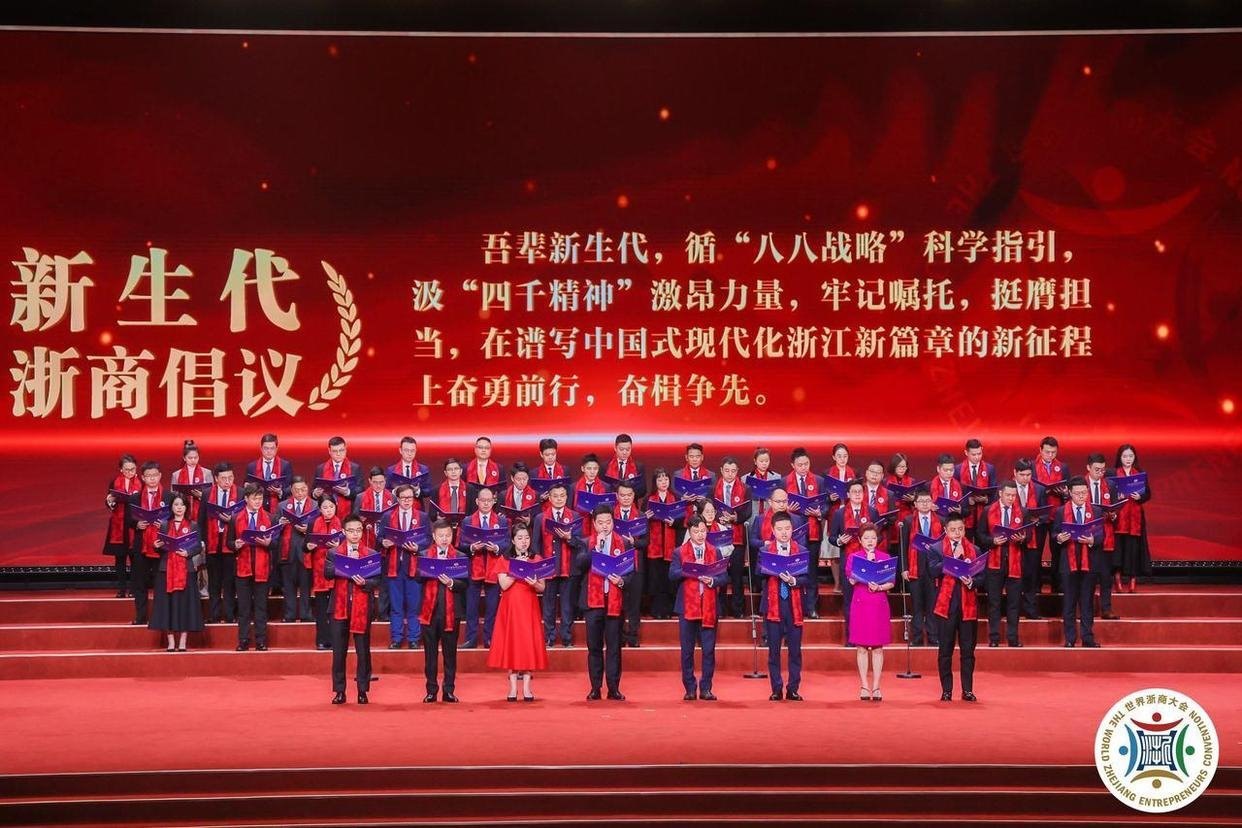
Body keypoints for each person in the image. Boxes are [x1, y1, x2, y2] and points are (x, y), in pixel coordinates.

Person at [571, 505, 633, 701]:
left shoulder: (623, 542)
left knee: (614, 647)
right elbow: (579, 565)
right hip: (593, 603)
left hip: (615, 602)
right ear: (594, 524)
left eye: (608, 522)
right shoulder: (586, 542)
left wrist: (622, 581)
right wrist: (596, 549)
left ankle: (613, 688)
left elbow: (631, 573)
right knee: (594, 647)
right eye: (601, 523)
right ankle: (595, 688)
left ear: (613, 522)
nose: (605, 526)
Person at [487, 525, 548, 701]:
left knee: (528, 643)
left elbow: (542, 587)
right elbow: (504, 585)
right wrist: (517, 570)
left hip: (529, 605)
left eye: (526, 538)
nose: (524, 542)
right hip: (511, 606)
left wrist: (535, 583)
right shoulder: (504, 559)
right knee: (512, 643)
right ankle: (513, 688)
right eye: (520, 538)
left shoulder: (536, 558)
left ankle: (527, 688)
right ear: (513, 540)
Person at [670, 515, 727, 701]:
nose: (700, 535)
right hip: (687, 606)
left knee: (708, 650)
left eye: (703, 531)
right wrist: (690, 570)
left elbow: (724, 577)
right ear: (689, 532)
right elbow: (672, 574)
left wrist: (713, 580)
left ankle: (706, 688)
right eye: (696, 532)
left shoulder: (715, 551)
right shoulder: (679, 552)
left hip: (709, 606)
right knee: (687, 651)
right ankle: (689, 688)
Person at [325, 514, 379, 704]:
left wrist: (365, 582)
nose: (355, 534)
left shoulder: (370, 553)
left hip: (362, 607)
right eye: (351, 531)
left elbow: (377, 580)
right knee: (339, 652)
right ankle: (339, 691)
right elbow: (327, 572)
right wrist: (347, 566)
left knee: (363, 651)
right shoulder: (334, 552)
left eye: (358, 530)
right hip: (339, 607)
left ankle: (362, 690)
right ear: (343, 532)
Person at [927, 514, 980, 702]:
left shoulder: (974, 549)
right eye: (953, 530)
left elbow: (982, 577)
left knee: (968, 651)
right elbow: (932, 571)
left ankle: (967, 690)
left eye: (960, 529)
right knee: (945, 651)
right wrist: (952, 560)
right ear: (946, 531)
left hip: (968, 607)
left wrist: (972, 582)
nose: (957, 533)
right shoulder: (936, 549)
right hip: (945, 607)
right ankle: (947, 690)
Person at [418, 520, 468, 703]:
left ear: (452, 536)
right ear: (434, 536)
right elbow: (417, 577)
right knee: (430, 655)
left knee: (450, 654)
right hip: (429, 612)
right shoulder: (424, 555)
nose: (445, 539)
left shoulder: (460, 557)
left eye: (448, 535)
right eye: (441, 536)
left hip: (451, 613)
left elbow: (465, 584)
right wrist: (426, 570)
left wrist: (451, 583)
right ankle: (431, 690)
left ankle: (449, 690)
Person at [759, 512, 807, 701]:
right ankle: (776, 688)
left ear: (792, 529)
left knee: (795, 651)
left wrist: (794, 580)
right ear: (773, 530)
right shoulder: (766, 550)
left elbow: (807, 578)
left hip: (794, 606)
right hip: (773, 605)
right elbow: (758, 572)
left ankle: (793, 688)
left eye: (787, 528)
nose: (784, 532)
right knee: (774, 651)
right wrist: (772, 568)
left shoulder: (800, 550)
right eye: (780, 529)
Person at [149, 492, 204, 651]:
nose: (179, 508)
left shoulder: (193, 525)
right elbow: (160, 546)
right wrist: (156, 546)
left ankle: (183, 641)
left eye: (182, 505)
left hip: (186, 570)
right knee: (168, 606)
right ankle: (171, 641)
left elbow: (198, 547)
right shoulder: (165, 525)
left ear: (186, 507)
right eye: (176, 505)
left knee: (185, 605)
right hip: (166, 570)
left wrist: (188, 553)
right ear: (171, 507)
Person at [1055, 476, 1104, 648]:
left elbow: (1101, 535)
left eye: (1084, 492)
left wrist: (1092, 540)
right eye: (1078, 493)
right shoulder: (1061, 511)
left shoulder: (1096, 511)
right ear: (1070, 493)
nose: (1082, 496)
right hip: (1068, 564)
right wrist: (1059, 538)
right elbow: (1054, 534)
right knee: (1069, 602)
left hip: (1089, 562)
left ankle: (1087, 637)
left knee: (1087, 602)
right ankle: (1070, 638)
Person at [845, 524, 894, 701]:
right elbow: (851, 580)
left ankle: (877, 686)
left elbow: (891, 582)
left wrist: (880, 586)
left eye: (873, 538)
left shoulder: (885, 557)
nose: (870, 541)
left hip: (879, 603)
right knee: (862, 647)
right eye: (866, 538)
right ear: (860, 540)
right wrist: (863, 571)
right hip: (861, 603)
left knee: (878, 648)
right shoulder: (853, 557)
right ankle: (865, 685)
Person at [828, 480, 879, 645]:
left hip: (870, 561)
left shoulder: (872, 511)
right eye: (854, 492)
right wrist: (840, 541)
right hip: (849, 561)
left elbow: (879, 535)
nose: (857, 494)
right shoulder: (839, 513)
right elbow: (831, 537)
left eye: (860, 491)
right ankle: (852, 637)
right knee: (850, 601)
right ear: (848, 494)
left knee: (869, 600)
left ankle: (869, 635)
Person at [459, 487, 510, 648]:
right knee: (472, 607)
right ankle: (471, 639)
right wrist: (472, 547)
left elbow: (507, 543)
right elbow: (461, 544)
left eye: (489, 500)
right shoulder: (468, 521)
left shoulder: (501, 521)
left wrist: (496, 548)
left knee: (492, 607)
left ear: (494, 501)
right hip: (474, 568)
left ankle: (490, 638)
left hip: (494, 569)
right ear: (477, 501)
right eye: (483, 500)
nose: (486, 503)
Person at [230, 483, 277, 652]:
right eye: (254, 498)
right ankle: (243, 640)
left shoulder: (270, 518)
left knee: (261, 607)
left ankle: (261, 640)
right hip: (242, 569)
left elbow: (276, 544)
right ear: (246, 499)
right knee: (243, 608)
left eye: (260, 498)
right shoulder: (236, 518)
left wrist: (269, 543)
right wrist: (235, 544)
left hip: (262, 569)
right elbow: (229, 542)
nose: (258, 501)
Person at [980, 481, 1026, 647]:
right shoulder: (988, 511)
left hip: (1015, 563)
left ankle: (1013, 638)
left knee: (1014, 603)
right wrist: (992, 541)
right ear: (1000, 494)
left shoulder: (1022, 511)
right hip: (995, 562)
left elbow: (1028, 535)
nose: (1011, 498)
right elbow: (980, 535)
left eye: (1014, 495)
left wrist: (1022, 538)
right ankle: (994, 638)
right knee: (994, 602)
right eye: (1008, 495)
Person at [378, 484, 425, 648]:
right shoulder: (387, 516)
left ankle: (413, 639)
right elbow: (380, 538)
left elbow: (428, 540)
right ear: (397, 499)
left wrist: (418, 547)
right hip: (394, 567)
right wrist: (384, 542)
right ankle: (396, 639)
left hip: (414, 567)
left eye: (410, 497)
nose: (407, 501)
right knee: (396, 606)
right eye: (403, 498)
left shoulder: (422, 517)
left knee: (414, 606)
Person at [128, 460, 172, 626]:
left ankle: (160, 617)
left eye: (155, 475)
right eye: (148, 476)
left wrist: (165, 525)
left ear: (160, 476)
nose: (152, 479)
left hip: (162, 546)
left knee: (161, 584)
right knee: (140, 584)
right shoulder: (135, 498)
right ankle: (141, 616)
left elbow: (177, 518)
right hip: (142, 547)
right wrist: (137, 524)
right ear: (143, 478)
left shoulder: (169, 496)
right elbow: (128, 520)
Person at [900, 489, 942, 647]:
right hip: (914, 568)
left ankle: (933, 636)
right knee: (916, 605)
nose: (925, 504)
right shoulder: (908, 521)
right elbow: (903, 545)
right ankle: (917, 637)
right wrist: (904, 568)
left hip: (934, 570)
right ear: (915, 504)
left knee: (932, 605)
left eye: (928, 501)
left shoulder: (941, 520)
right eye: (921, 501)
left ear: (932, 503)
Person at [786, 447, 825, 612]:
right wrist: (787, 508)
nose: (803, 467)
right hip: (791, 533)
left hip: (812, 533)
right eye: (800, 465)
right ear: (793, 465)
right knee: (793, 570)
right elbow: (778, 505)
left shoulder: (819, 481)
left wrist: (819, 512)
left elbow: (825, 505)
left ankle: (811, 607)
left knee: (812, 571)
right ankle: (794, 606)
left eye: (806, 464)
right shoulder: (784, 481)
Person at [539, 482, 578, 647]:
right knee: (548, 606)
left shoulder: (574, 516)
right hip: (548, 569)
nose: (559, 499)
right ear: (549, 498)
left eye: (562, 495)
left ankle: (567, 637)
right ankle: (550, 636)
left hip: (568, 568)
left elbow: (581, 544)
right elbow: (536, 545)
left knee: (567, 605)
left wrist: (570, 538)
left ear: (567, 497)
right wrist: (539, 567)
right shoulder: (540, 518)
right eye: (555, 496)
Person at [713, 456, 751, 618]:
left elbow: (748, 512)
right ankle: (720, 609)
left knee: (737, 575)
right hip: (718, 537)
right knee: (719, 574)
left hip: (737, 537)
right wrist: (717, 518)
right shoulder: (713, 488)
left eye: (733, 471)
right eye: (727, 471)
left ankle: (738, 610)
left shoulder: (745, 488)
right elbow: (707, 509)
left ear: (737, 472)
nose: (730, 474)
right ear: (721, 471)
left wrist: (736, 518)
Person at [1085, 453, 1121, 619]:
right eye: (1097, 469)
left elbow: (1115, 509)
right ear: (1088, 468)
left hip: (1106, 535)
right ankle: (1087, 609)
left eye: (1102, 470)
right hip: (1088, 536)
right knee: (1088, 576)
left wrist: (1113, 515)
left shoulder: (1110, 485)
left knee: (1106, 575)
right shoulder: (1081, 484)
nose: (1100, 473)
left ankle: (1106, 609)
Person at [1113, 444, 1152, 593]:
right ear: (1120, 458)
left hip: (1135, 518)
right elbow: (1108, 494)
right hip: (1119, 517)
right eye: (1125, 456)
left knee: (1133, 550)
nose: (1128, 459)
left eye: (1130, 456)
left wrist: (1140, 497)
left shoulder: (1140, 473)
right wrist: (1117, 496)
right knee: (1118, 550)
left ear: (1134, 457)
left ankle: (1132, 581)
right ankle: (1117, 579)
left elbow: (1148, 494)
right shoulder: (1114, 473)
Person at [305, 495, 343, 650]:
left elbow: (348, 546)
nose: (329, 510)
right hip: (319, 571)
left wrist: (338, 545)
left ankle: (335, 640)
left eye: (331, 507)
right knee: (321, 609)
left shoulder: (341, 523)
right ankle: (321, 640)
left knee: (335, 609)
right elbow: (305, 546)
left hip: (336, 571)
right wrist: (309, 546)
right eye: (325, 507)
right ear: (320, 509)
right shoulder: (313, 522)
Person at [613, 481, 648, 647]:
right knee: (618, 602)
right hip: (616, 565)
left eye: (629, 495)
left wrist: (634, 542)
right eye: (622, 495)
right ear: (617, 496)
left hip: (635, 565)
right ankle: (618, 636)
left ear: (634, 496)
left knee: (634, 603)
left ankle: (633, 636)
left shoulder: (640, 516)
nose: (626, 498)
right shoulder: (611, 515)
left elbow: (646, 542)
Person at [1012, 458, 1047, 620]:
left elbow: (1045, 513)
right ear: (1015, 473)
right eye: (1022, 475)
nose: (1026, 478)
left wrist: (1037, 519)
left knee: (1031, 574)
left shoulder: (1039, 490)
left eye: (1028, 475)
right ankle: (1014, 610)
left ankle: (1031, 610)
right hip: (1012, 539)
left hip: (1032, 538)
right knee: (1013, 576)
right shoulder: (1007, 489)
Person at [1033, 436, 1069, 594]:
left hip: (1057, 515)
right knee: (1036, 552)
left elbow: (1068, 490)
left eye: (1053, 452)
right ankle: (1036, 585)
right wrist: (1042, 491)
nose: (1050, 455)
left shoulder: (1063, 467)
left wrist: (1065, 493)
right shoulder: (1032, 466)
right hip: (1039, 515)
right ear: (1040, 450)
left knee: (1058, 552)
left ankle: (1057, 585)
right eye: (1047, 452)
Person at [276, 476, 313, 623]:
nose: (300, 493)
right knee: (288, 586)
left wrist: (308, 530)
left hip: (306, 551)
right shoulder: (282, 506)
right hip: (288, 551)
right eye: (297, 490)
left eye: (303, 489)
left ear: (307, 489)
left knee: (306, 585)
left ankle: (305, 613)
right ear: (291, 490)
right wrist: (280, 523)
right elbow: (274, 529)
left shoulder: (315, 505)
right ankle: (289, 614)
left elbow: (320, 528)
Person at [643, 468, 680, 619]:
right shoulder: (649, 499)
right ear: (655, 482)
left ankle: (669, 610)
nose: (663, 482)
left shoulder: (675, 497)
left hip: (671, 545)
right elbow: (641, 521)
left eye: (666, 479)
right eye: (660, 480)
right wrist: (645, 517)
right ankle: (656, 610)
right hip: (654, 546)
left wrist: (674, 522)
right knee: (656, 579)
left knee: (669, 578)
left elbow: (682, 519)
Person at [103, 454, 140, 597]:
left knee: (135, 559)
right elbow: (109, 501)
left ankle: (134, 589)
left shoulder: (141, 482)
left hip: (134, 524)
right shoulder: (115, 482)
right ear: (121, 469)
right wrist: (110, 501)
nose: (130, 472)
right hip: (118, 525)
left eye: (132, 469)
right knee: (120, 559)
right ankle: (122, 588)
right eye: (127, 469)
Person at [245, 433, 293, 516]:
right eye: (266, 448)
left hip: (278, 507)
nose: (269, 451)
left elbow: (290, 487)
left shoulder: (285, 465)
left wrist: (280, 492)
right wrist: (247, 486)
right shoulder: (252, 466)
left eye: (272, 448)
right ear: (261, 448)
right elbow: (246, 486)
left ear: (276, 449)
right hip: (257, 506)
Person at [312, 436, 361, 514]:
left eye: (341, 450)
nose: (338, 454)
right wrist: (315, 494)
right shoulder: (321, 468)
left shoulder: (355, 468)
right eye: (335, 451)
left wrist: (347, 492)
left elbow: (360, 490)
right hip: (326, 512)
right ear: (329, 451)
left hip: (348, 513)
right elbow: (313, 491)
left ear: (346, 450)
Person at [169, 439, 211, 522]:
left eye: (196, 457)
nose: (193, 460)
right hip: (182, 511)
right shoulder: (176, 474)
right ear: (184, 458)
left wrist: (202, 496)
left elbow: (212, 495)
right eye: (190, 458)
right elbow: (172, 496)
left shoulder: (207, 473)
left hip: (202, 512)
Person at [385, 435, 430, 509]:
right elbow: (386, 491)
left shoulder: (423, 469)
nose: (409, 453)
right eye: (406, 450)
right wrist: (395, 491)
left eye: (412, 450)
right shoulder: (391, 470)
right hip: (397, 508)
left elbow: (428, 491)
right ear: (400, 450)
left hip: (417, 508)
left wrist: (417, 491)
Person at [606, 433, 647, 498]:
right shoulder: (605, 466)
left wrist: (629, 495)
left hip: (631, 502)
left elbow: (643, 490)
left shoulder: (638, 467)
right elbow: (602, 488)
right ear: (615, 448)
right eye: (621, 449)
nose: (624, 452)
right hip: (611, 502)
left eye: (628, 449)